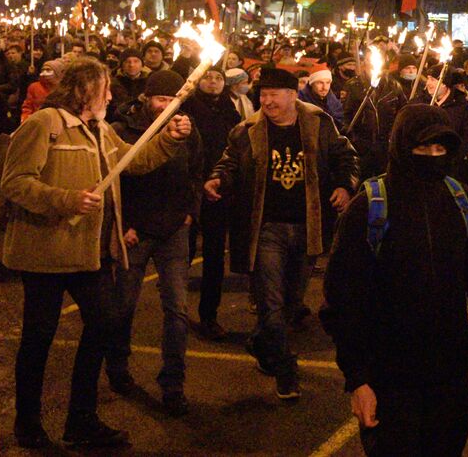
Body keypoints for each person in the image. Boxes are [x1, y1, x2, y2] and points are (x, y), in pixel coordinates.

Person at [0, 58, 193, 449]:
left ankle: (81, 419)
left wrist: (169, 138)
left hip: (91, 255)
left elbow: (135, 161)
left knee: (105, 323)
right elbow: (15, 183)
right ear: (85, 89)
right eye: (104, 88)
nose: (110, 95)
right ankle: (28, 423)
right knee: (39, 337)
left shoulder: (100, 129)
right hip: (47, 253)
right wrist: (65, 200)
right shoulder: (44, 124)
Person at [321, 105, 468, 456]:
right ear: (401, 147)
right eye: (423, 148)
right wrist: (358, 379)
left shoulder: (462, 201)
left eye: (441, 149)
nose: (433, 156)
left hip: (450, 375)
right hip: (389, 378)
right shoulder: (369, 207)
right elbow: (344, 300)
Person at [204, 66, 359, 401]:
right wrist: (218, 179)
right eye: (263, 95)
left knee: (290, 304)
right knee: (271, 303)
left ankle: (262, 343)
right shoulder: (247, 130)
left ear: (292, 95)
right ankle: (286, 371)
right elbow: (229, 162)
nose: (267, 101)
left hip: (308, 225)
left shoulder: (319, 123)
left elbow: (345, 157)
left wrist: (345, 186)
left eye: (275, 94)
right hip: (267, 229)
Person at [107, 68, 206, 416]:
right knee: (123, 305)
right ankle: (117, 368)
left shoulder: (187, 130)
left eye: (173, 99)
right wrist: (124, 225)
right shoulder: (123, 131)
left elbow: (197, 171)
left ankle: (173, 384)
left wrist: (190, 211)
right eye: (161, 99)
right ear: (147, 99)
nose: (168, 106)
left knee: (177, 309)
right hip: (136, 232)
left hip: (174, 229)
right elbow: (117, 182)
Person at [181, 65, 242, 341]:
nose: (213, 81)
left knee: (215, 257)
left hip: (218, 192)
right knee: (182, 255)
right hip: (190, 190)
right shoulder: (187, 108)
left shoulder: (231, 110)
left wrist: (223, 181)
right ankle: (178, 312)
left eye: (218, 78)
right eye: (208, 76)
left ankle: (209, 315)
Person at [424, 64, 468, 184]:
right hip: (426, 165)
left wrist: (454, 157)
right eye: (428, 78)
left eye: (433, 79)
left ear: (445, 84)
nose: (428, 83)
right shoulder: (421, 103)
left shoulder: (461, 105)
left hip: (454, 168)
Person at [109, 49, 147, 117]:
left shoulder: (148, 82)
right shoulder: (114, 83)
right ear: (122, 65)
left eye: (136, 61)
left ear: (142, 64)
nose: (131, 65)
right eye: (127, 61)